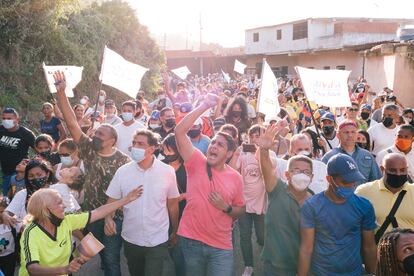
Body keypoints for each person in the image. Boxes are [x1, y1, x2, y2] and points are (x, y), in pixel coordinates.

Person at [54, 71, 130, 276]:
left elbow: (124, 192)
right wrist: (61, 93)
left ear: (112, 141)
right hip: (90, 215)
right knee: (91, 253)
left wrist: (110, 217)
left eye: (100, 135)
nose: (95, 136)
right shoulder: (89, 150)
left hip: (113, 218)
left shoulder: (124, 161)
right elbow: (72, 124)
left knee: (111, 259)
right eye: (95, 133)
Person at [175, 93, 245, 276]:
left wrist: (226, 208)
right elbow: (179, 131)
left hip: (221, 246)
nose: (213, 146)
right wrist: (203, 106)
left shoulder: (236, 178)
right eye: (213, 142)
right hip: (191, 240)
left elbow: (241, 210)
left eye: (220, 145)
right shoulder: (197, 161)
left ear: (229, 153)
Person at [19, 186, 142, 276]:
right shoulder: (31, 232)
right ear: (45, 210)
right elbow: (33, 269)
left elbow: (98, 212)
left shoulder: (66, 221)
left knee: (91, 246)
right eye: (59, 203)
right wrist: (64, 269)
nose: (64, 206)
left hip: (63, 273)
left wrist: (126, 200)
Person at [105, 129, 179, 276]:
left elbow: (173, 205)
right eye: (134, 143)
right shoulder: (123, 172)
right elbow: (111, 201)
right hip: (131, 238)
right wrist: (108, 218)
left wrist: (175, 231)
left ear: (152, 148)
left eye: (140, 144)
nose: (135, 147)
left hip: (157, 239)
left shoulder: (167, 172)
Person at [298, 153, 377, 276]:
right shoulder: (312, 206)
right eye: (345, 182)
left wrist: (372, 274)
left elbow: (369, 247)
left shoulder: (364, 206)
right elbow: (306, 248)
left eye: (353, 181)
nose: (351, 186)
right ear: (329, 179)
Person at [258, 124, 313, 275]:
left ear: (312, 177)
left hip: (303, 267)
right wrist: (263, 150)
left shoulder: (315, 201)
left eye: (306, 171)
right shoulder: (276, 190)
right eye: (296, 170)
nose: (302, 174)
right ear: (287, 174)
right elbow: (266, 168)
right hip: (273, 267)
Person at [229, 125, 266, 276]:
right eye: (254, 136)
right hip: (244, 203)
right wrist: (237, 154)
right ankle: (248, 265)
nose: (256, 139)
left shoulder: (266, 154)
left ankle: (266, 259)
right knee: (244, 236)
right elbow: (230, 171)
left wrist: (263, 150)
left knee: (262, 236)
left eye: (259, 136)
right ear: (249, 138)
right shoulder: (243, 156)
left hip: (261, 202)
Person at [356, 153, 414, 234]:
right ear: (382, 169)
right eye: (392, 170)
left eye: (402, 170)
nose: (398, 174)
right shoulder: (364, 191)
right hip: (374, 246)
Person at [322, 120, 381, 185]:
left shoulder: (367, 156)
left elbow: (376, 181)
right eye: (346, 132)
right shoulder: (329, 157)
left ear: (357, 134)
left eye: (353, 132)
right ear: (338, 135)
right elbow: (323, 182)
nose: (350, 135)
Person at [161, 133, 187, 276]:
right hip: (164, 213)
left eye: (169, 150)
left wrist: (184, 195)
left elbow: (199, 190)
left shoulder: (189, 167)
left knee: (179, 250)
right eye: (164, 150)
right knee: (170, 245)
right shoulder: (161, 165)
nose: (166, 153)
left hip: (184, 212)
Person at [0, 107, 36, 197]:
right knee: (6, 198)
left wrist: (31, 163)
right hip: (5, 172)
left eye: (9, 118)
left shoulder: (26, 133)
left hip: (20, 174)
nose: (6, 121)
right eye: (4, 118)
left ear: (17, 119)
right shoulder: (1, 130)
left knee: (18, 196)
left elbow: (39, 150)